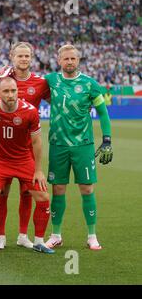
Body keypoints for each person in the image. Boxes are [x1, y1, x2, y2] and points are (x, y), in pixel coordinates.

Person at [0, 77, 54, 255]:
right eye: (6, 91)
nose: (10, 95)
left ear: (18, 90)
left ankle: (40, 241)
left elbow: (37, 142)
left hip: (23, 160)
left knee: (43, 197)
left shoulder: (30, 111)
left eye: (13, 91)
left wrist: (39, 170)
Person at [44, 45, 113, 250]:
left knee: (87, 188)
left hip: (83, 145)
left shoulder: (90, 84)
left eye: (73, 58)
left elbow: (103, 113)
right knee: (58, 189)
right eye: (66, 59)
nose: (70, 62)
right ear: (59, 60)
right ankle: (56, 235)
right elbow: (26, 82)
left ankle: (92, 235)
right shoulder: (51, 80)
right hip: (58, 145)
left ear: (79, 60)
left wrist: (107, 139)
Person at [0, 42, 51, 250]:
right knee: (2, 192)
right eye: (19, 56)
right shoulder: (1, 79)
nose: (23, 59)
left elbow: (57, 101)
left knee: (27, 192)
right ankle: (1, 236)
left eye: (27, 56)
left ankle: (23, 235)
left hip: (27, 149)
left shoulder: (41, 83)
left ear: (31, 57)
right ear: (11, 57)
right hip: (3, 147)